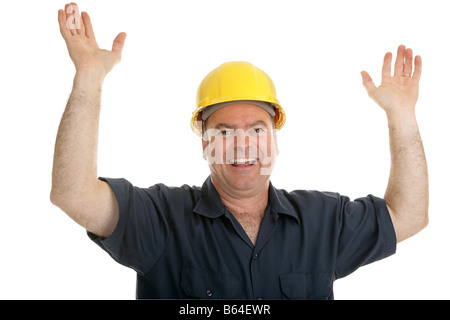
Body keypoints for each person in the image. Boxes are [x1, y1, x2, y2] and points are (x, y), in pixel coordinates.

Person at [51, 3, 429, 299]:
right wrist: (89, 75)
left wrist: (401, 115)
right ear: (205, 145)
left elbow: (408, 216)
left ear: (275, 139)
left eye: (257, 129)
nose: (243, 144)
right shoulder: (161, 220)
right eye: (225, 131)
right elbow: (74, 194)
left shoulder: (323, 222)